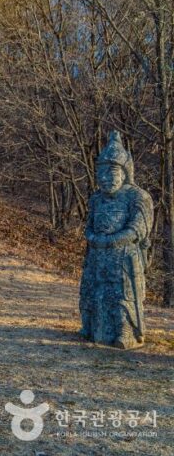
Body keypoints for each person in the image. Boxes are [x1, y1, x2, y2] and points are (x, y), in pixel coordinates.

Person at [79, 131, 153, 349]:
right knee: (92, 291)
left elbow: (138, 229)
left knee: (123, 295)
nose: (104, 177)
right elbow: (89, 226)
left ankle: (126, 330)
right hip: (97, 255)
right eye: (100, 172)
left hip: (124, 256)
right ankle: (92, 327)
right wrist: (93, 238)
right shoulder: (96, 199)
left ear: (124, 172)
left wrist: (113, 240)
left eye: (111, 172)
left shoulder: (137, 196)